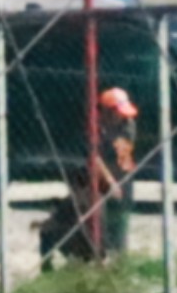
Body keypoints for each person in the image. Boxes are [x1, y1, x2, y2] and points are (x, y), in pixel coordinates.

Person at [43, 84, 141, 270]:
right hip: (94, 181)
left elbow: (123, 159)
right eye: (118, 113)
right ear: (106, 112)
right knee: (93, 218)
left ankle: (118, 259)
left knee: (120, 221)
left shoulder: (127, 125)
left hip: (118, 179)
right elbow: (93, 157)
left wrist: (117, 182)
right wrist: (110, 182)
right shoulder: (93, 128)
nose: (123, 117)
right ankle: (93, 254)